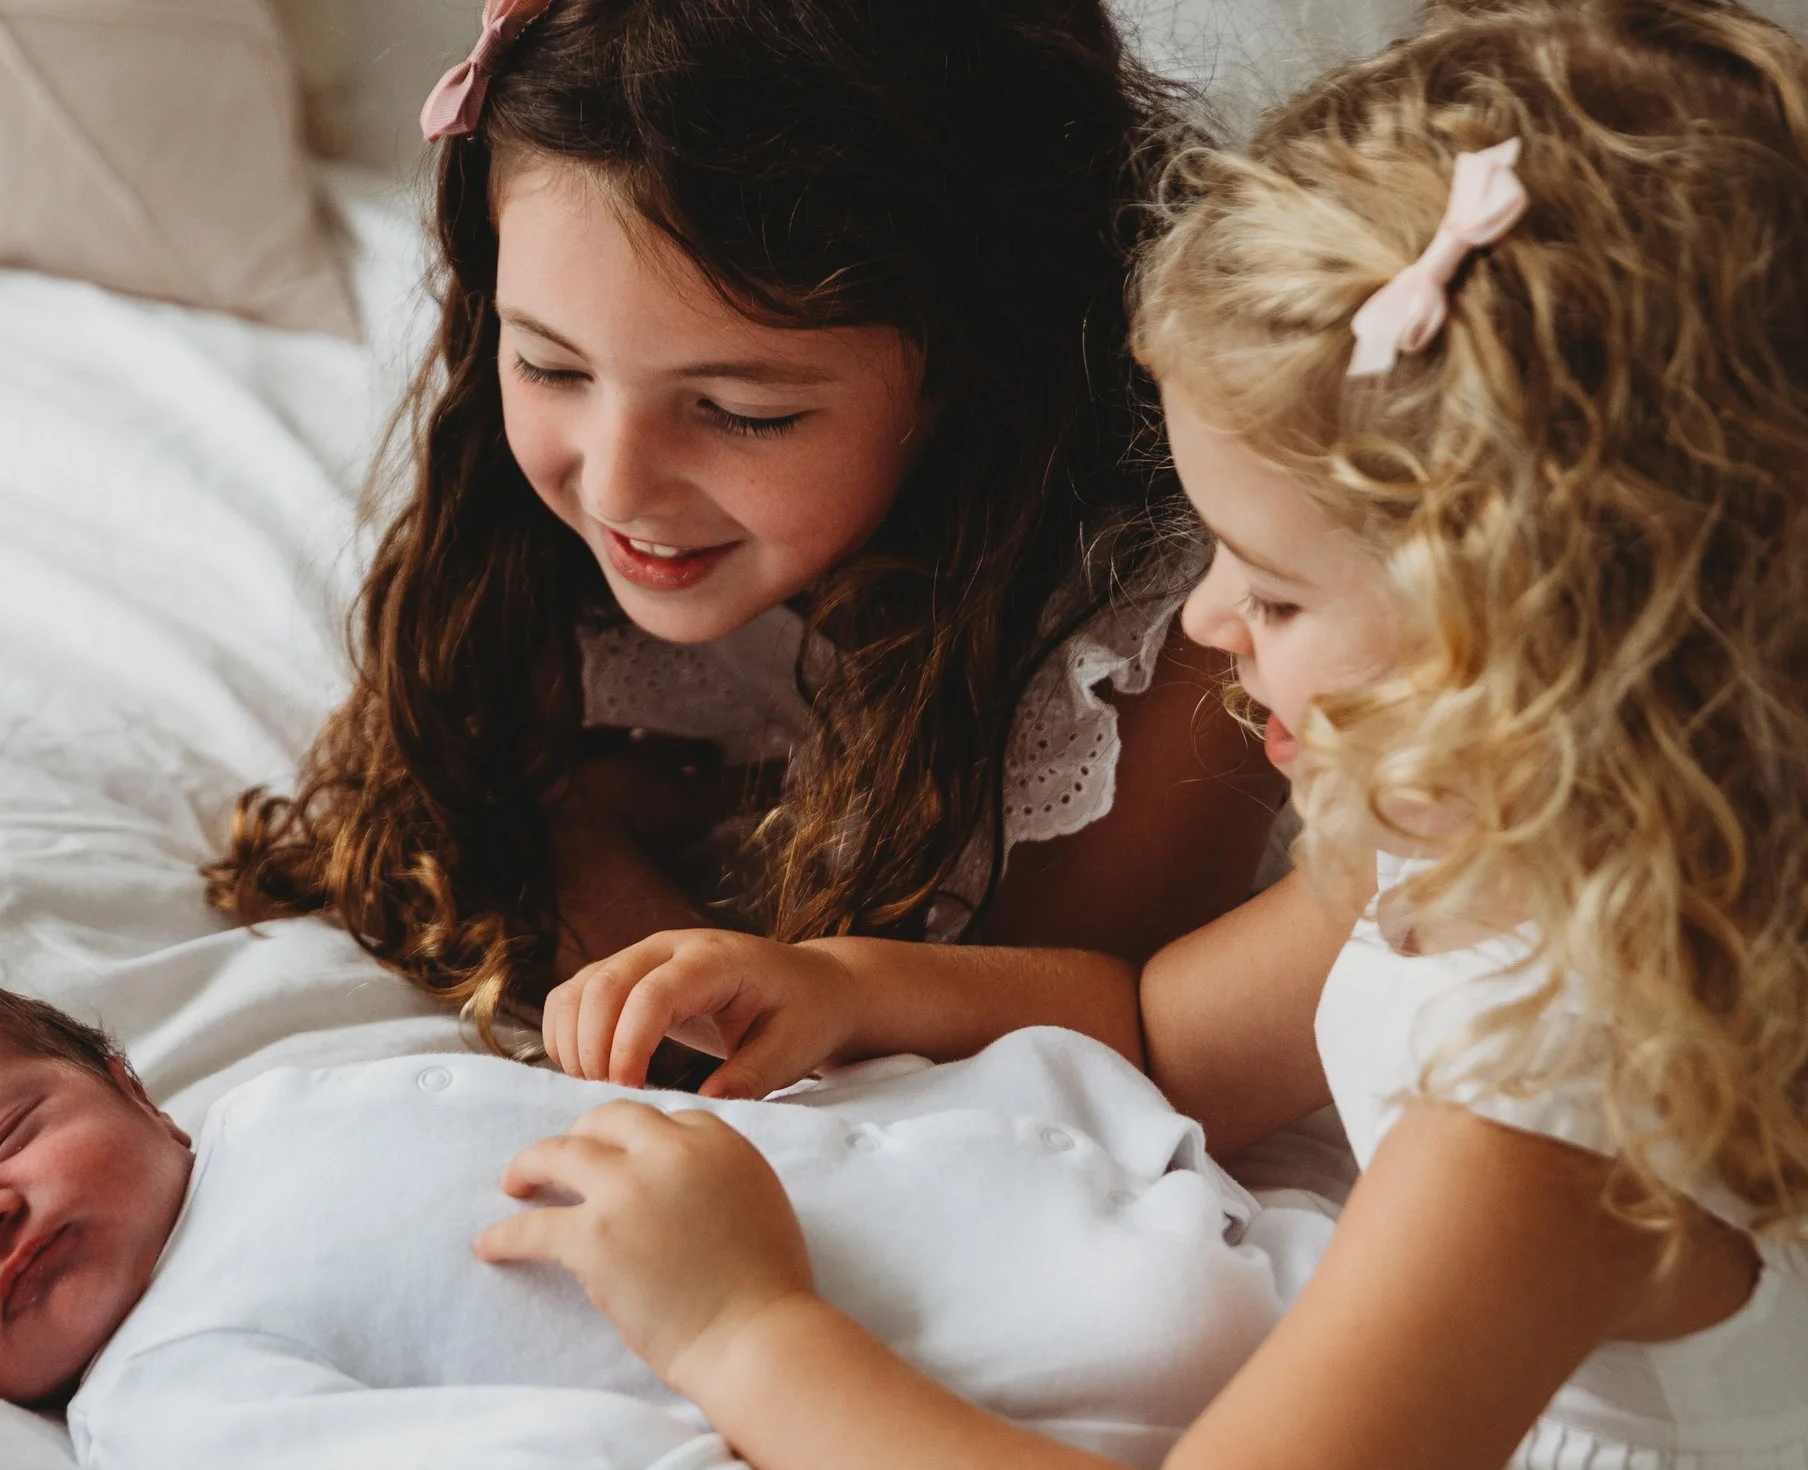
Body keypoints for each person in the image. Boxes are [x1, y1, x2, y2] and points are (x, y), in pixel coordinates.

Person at [485, 3, 1808, 1470]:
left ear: (1559, 629)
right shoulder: (1489, 814)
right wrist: (845, 984)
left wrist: (740, 1321)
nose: (1210, 625)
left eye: (1280, 588)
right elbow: (1168, 1027)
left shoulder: (1570, 1078)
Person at [204, 0, 1281, 1055]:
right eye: (548, 363)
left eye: (741, 412)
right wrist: (564, 826)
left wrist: (572, 839)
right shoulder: (525, 517)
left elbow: (1045, 1062)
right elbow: (432, 784)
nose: (619, 485)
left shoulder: (1177, 641)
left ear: (973, 374)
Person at [0, 977, 1331, 1470]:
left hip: (1005, 1152)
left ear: (132, 1085)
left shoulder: (269, 1108)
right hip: (1008, 1379)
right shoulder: (166, 1390)